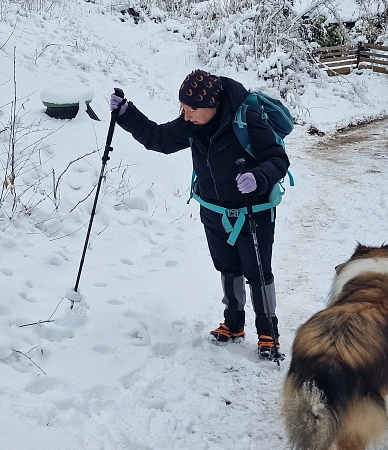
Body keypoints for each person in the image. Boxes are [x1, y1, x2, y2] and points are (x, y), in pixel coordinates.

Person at [110, 70, 290, 360]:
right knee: (227, 268)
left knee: (258, 271)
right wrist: (127, 114)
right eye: (183, 108)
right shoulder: (191, 124)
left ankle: (268, 331)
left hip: (253, 212)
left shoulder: (247, 119)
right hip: (214, 210)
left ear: (213, 105)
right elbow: (160, 139)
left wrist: (259, 176)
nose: (186, 115)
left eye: (192, 110)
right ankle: (233, 325)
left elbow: (278, 159)